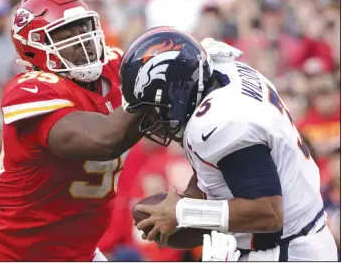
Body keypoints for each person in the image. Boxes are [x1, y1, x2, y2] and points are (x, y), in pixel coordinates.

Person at [119, 27, 338, 261]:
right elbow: (222, 168)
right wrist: (188, 197)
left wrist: (184, 212)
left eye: (155, 109)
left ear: (178, 93)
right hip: (290, 238)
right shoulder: (222, 74)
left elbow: (269, 213)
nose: (154, 120)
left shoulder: (221, 122)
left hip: (289, 250)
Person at [0, 0, 145, 261]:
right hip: (8, 253)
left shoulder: (117, 66)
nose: (83, 41)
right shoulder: (31, 89)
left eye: (84, 28)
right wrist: (152, 93)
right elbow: (104, 140)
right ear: (34, 47)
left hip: (78, 252)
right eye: (66, 35)